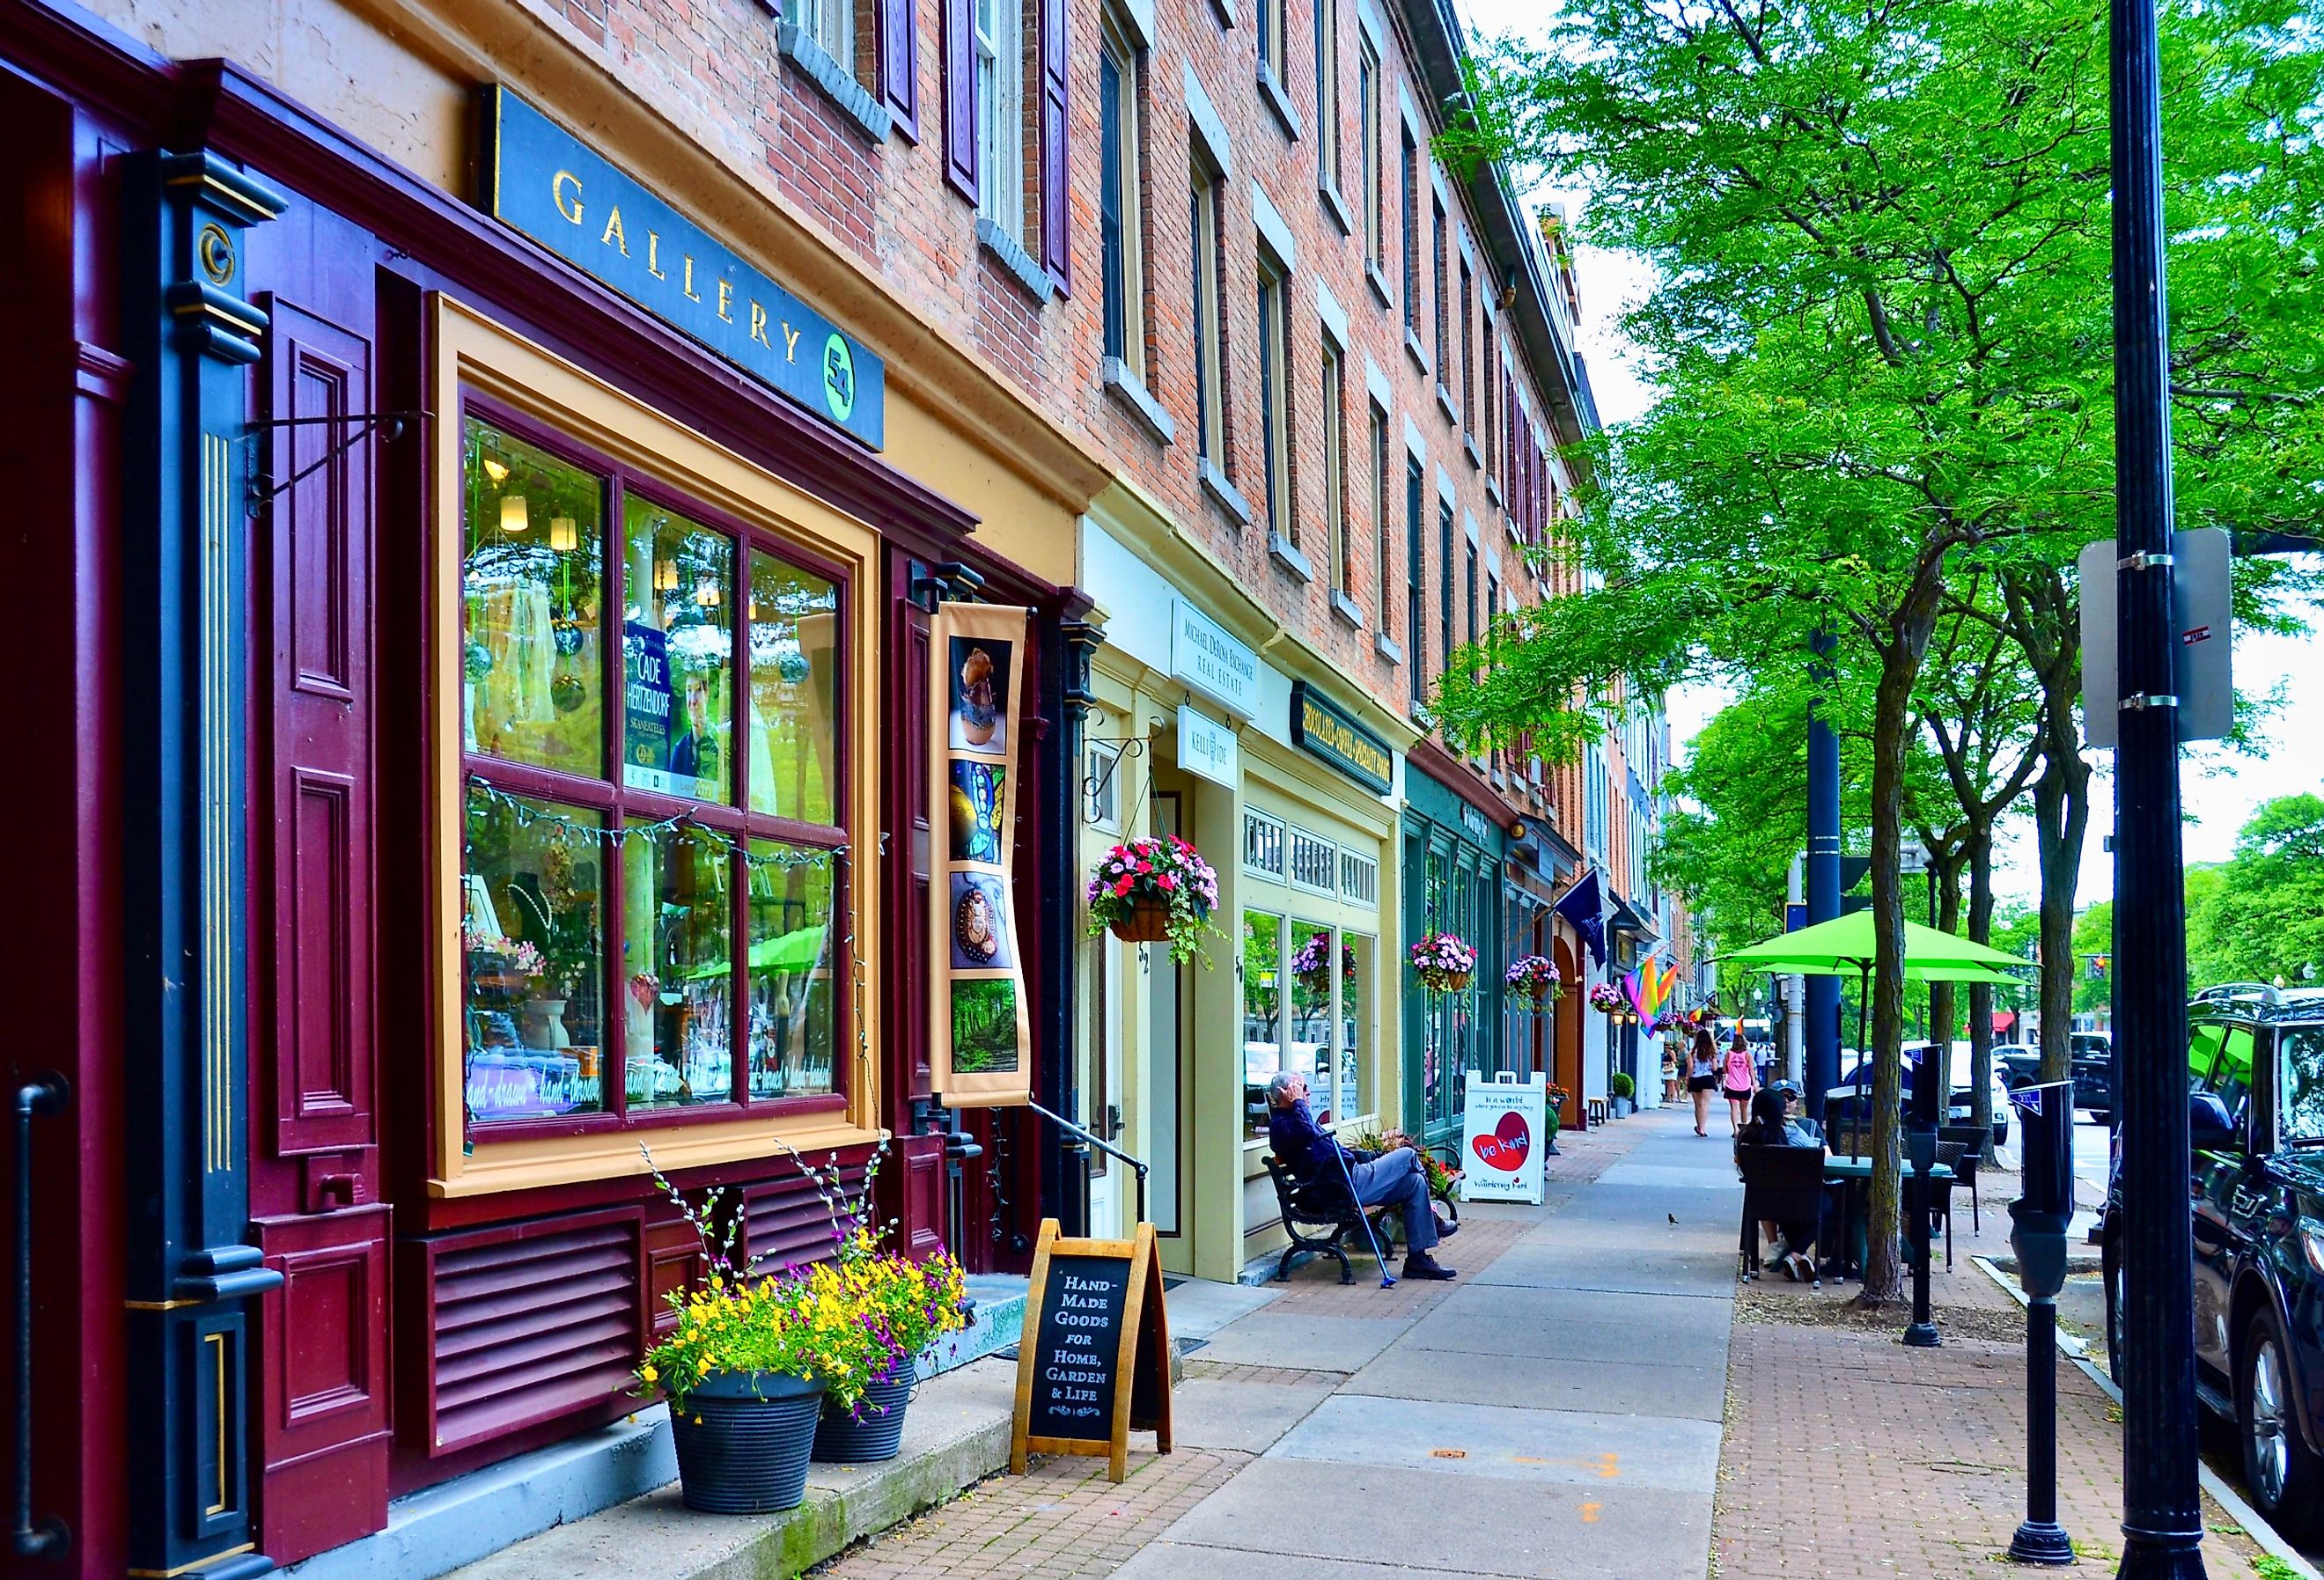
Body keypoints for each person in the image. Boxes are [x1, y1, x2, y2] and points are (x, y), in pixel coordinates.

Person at [1265, 1071, 1456, 1280]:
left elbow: (1321, 1143)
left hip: (1349, 1178)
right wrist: (1298, 1104)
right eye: (1301, 1088)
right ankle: (1432, 1214)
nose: (1307, 1093)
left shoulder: (1298, 1117)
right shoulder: (1282, 1125)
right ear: (1286, 1093)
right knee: (1409, 1155)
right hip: (1342, 1186)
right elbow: (1308, 1134)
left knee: (1414, 1182)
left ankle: (1417, 1261)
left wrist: (1364, 1155)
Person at [1736, 1087, 1825, 1282]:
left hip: (1762, 1204)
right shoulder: (1791, 1134)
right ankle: (1797, 1255)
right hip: (1799, 1203)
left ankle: (1796, 1257)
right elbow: (1818, 1154)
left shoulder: (1745, 1138)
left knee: (1792, 1209)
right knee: (1828, 1205)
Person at [1685, 1025, 1722, 1136]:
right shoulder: (1712, 1051)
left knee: (1698, 1105)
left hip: (1695, 1079)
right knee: (1704, 1104)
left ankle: (1699, 1126)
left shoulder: (1692, 1052)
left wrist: (1688, 1079)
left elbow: (1690, 1067)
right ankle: (1702, 1128)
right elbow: (1715, 1068)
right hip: (1707, 1078)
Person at [1721, 1025, 1757, 1135]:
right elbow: (1751, 1070)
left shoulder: (1729, 1054)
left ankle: (1735, 1129)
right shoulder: (1747, 1055)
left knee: (1734, 1109)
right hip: (1745, 1085)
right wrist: (1754, 1083)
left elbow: (1724, 1069)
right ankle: (1743, 1129)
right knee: (1744, 1109)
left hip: (1732, 1085)